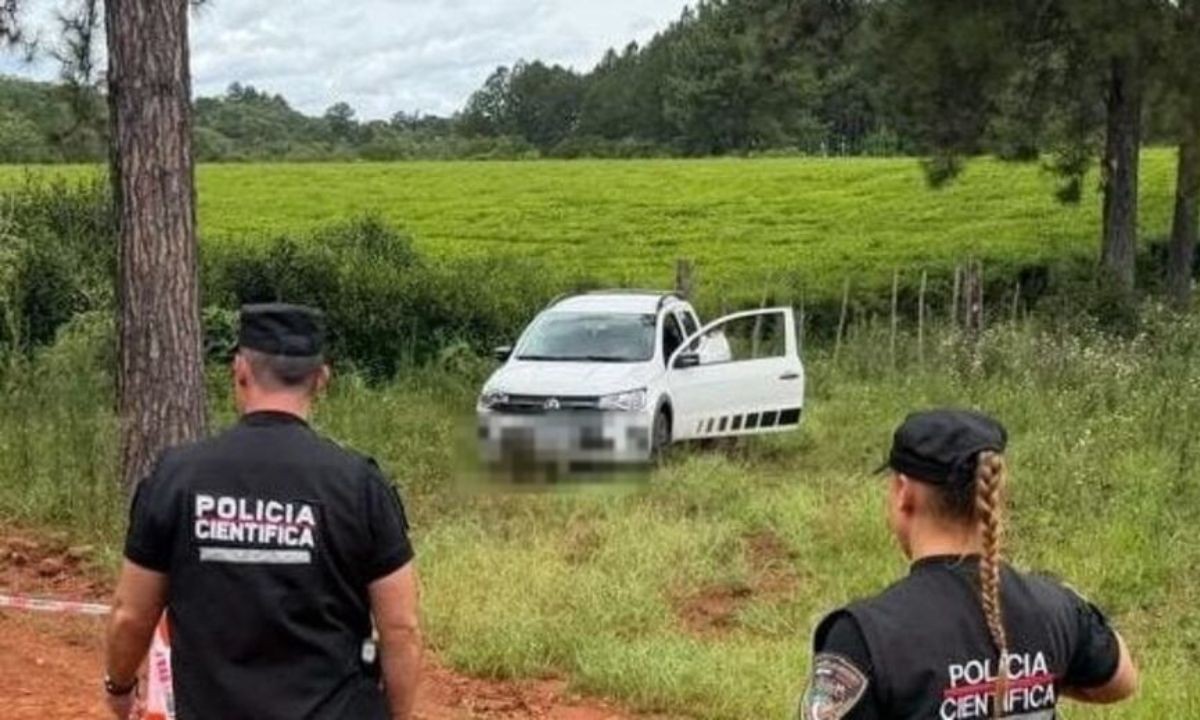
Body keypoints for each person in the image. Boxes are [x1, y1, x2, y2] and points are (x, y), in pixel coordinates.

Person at [102, 303, 422, 720]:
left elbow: (131, 614)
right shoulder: (360, 485)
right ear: (321, 379)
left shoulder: (176, 478)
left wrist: (119, 687)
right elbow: (401, 628)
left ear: (239, 370)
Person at [801, 409, 1137, 720]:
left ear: (903, 492)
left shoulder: (862, 636)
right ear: (994, 492)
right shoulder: (1058, 607)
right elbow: (1121, 681)